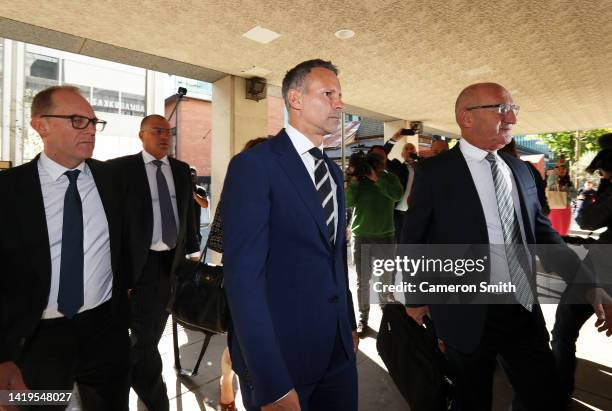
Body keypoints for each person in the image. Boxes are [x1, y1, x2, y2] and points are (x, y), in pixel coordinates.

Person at [402, 82, 612, 410]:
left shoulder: (520, 170)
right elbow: (413, 240)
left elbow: (544, 236)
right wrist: (416, 298)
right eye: (501, 109)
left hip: (522, 308)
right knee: (471, 400)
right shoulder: (434, 173)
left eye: (514, 108)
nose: (512, 117)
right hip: (464, 311)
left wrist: (587, 283)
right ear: (466, 118)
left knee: (544, 396)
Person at [221, 59, 358, 411]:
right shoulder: (254, 166)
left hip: (338, 352)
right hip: (283, 359)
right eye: (328, 94)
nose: (339, 104)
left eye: (340, 95)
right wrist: (272, 384)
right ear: (295, 99)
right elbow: (243, 282)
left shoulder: (332, 172)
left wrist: (349, 324)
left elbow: (336, 258)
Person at [0, 85, 130, 410]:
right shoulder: (8, 190)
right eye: (77, 120)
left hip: (105, 331)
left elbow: (128, 243)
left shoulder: (113, 179)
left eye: (93, 122)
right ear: (41, 125)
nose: (90, 130)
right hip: (36, 340)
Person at [110, 114, 200, 411]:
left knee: (146, 337)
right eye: (158, 131)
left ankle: (137, 395)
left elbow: (188, 215)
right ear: (142, 135)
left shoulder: (181, 170)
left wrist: (191, 253)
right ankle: (155, 400)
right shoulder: (120, 170)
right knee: (142, 339)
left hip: (170, 268)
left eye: (169, 132)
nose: (165, 136)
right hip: (137, 267)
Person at [203, 137, 269, 411]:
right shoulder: (236, 193)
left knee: (249, 346)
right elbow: (218, 239)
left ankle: (227, 383)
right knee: (244, 345)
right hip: (244, 283)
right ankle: (228, 385)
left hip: (271, 285)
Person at [552, 148, 612, 408]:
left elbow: (587, 220)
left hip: (602, 268)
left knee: (564, 332)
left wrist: (599, 190)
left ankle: (559, 394)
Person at [346, 148, 403, 337]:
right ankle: (363, 319)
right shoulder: (359, 181)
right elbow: (346, 202)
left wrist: (377, 179)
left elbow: (396, 196)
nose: (376, 160)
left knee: (385, 282)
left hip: (385, 237)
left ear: (385, 160)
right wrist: (354, 180)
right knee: (363, 281)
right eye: (373, 157)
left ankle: (388, 318)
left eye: (380, 157)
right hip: (361, 236)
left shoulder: (390, 178)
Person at [383, 133, 418, 242]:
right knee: (397, 243)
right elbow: (382, 155)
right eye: (406, 149)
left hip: (414, 213)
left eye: (412, 149)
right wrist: (394, 139)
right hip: (397, 213)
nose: (409, 151)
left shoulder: (422, 169)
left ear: (416, 152)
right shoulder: (397, 166)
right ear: (403, 153)